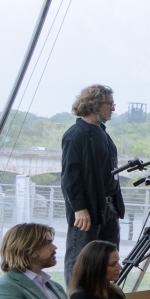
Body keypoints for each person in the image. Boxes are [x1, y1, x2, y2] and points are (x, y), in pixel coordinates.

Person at [59, 85, 123, 285]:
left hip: (108, 208)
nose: (113, 108)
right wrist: (79, 208)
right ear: (96, 104)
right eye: (110, 104)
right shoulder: (76, 135)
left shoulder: (102, 133)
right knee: (80, 259)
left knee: (107, 258)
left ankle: (104, 296)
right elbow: (70, 177)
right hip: (88, 211)